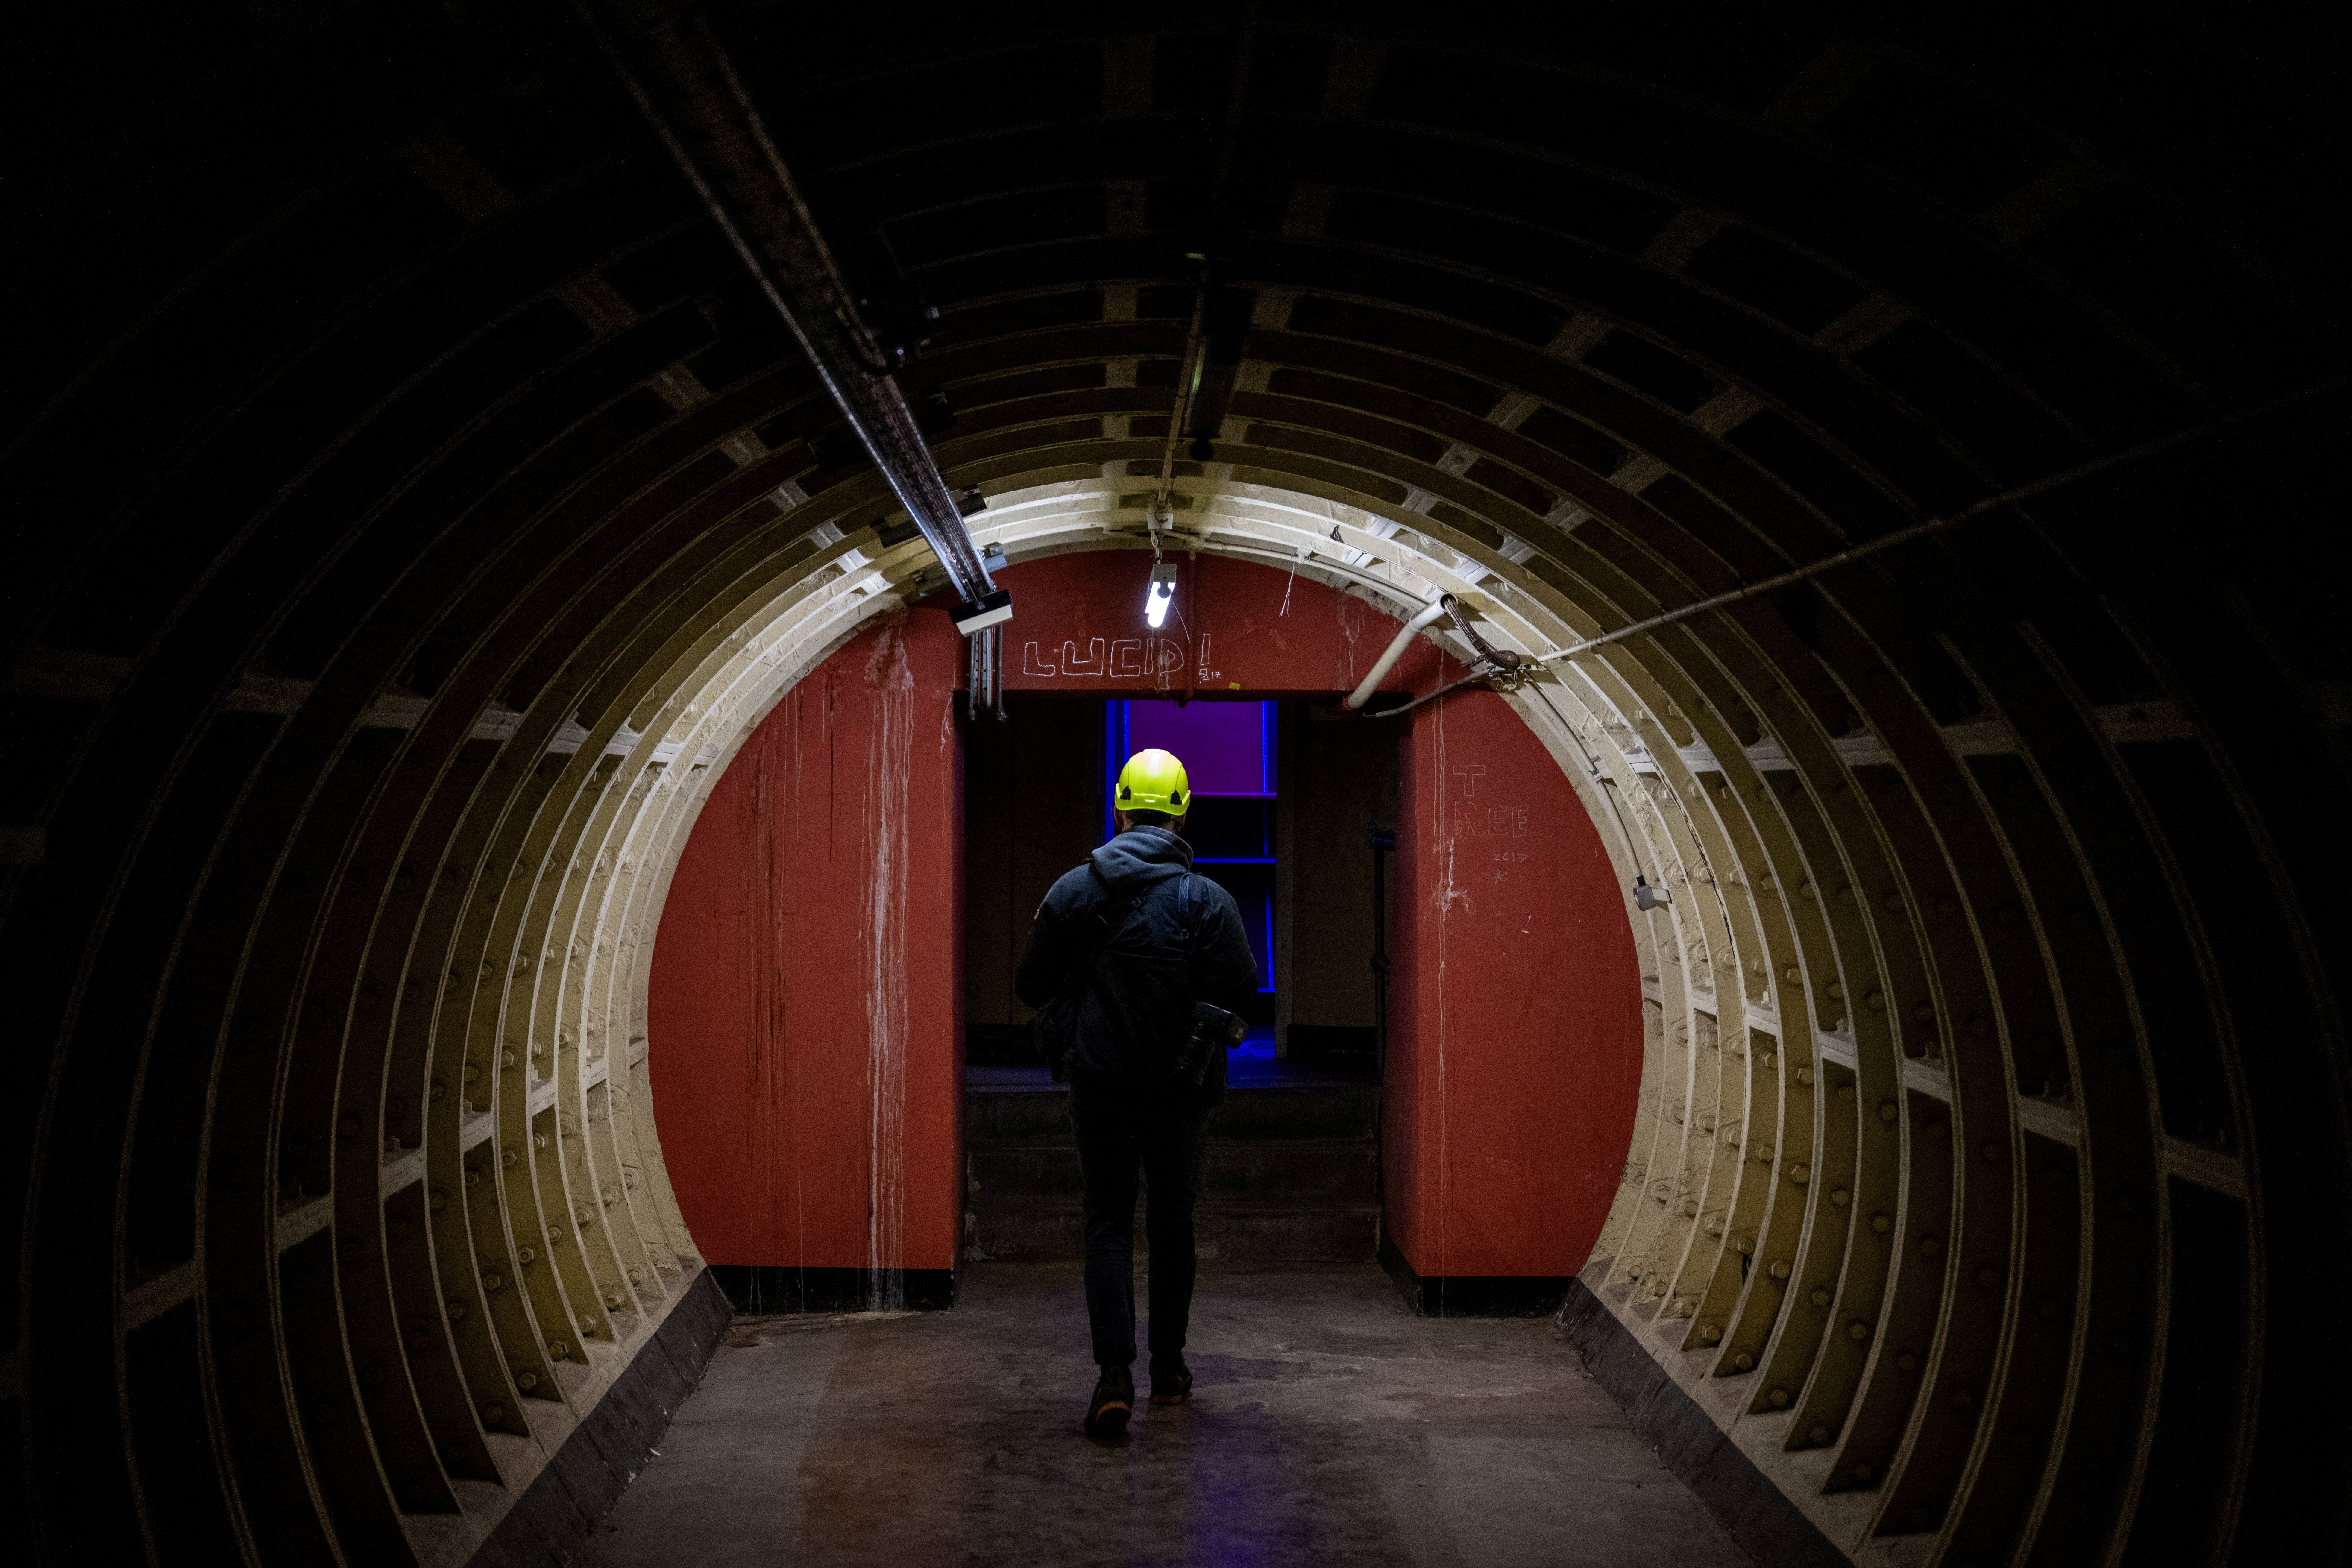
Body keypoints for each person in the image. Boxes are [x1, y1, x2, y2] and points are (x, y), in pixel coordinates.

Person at [1015, 746, 1258, 1439]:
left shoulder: (1069, 891)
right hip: (1181, 1092)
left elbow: (1030, 986)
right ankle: (1170, 1370)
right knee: (1172, 1224)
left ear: (1118, 807)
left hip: (1099, 1087)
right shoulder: (1207, 900)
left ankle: (1112, 1376)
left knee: (1107, 1223)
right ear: (1183, 815)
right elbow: (1240, 995)